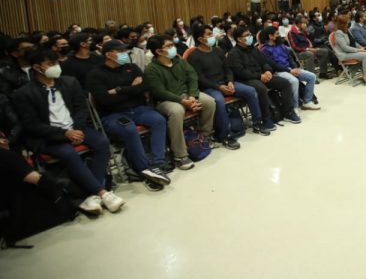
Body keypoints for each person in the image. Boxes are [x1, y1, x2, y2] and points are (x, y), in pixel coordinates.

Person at [12, 49, 124, 215]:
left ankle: (92, 194)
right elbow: (32, 124)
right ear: (37, 67)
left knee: (102, 142)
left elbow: (81, 109)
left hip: (76, 128)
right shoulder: (24, 93)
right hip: (49, 135)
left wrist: (76, 128)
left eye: (57, 63)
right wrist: (64, 133)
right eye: (51, 64)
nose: (56, 66)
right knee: (68, 153)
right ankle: (102, 193)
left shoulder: (69, 82)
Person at [86, 41, 171, 191]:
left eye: (125, 50)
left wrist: (119, 90)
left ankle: (158, 163)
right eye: (120, 51)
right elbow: (105, 100)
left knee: (158, 120)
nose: (125, 54)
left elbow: (145, 86)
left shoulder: (131, 67)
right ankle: (144, 169)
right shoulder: (95, 75)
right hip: (113, 114)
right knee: (129, 129)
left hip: (138, 109)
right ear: (109, 55)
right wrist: (132, 88)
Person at [144, 34, 216, 170]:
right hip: (166, 100)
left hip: (187, 95)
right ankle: (180, 154)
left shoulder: (179, 60)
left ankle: (204, 136)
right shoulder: (151, 69)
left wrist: (193, 95)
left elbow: (192, 76)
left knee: (209, 102)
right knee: (177, 111)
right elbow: (160, 92)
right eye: (169, 46)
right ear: (159, 51)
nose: (173, 48)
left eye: (172, 44)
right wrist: (183, 101)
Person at [187, 25, 267, 141]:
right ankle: (225, 135)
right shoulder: (194, 56)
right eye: (209, 34)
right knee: (219, 101)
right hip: (210, 87)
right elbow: (200, 78)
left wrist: (230, 81)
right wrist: (219, 87)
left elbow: (228, 69)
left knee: (250, 91)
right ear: (200, 39)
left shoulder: (218, 51)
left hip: (226, 83)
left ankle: (257, 122)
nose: (213, 36)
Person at [226, 27, 299, 124]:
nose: (250, 37)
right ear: (239, 39)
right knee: (261, 88)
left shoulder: (253, 49)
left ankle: (288, 112)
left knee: (285, 83)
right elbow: (241, 72)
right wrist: (259, 76)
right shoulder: (233, 53)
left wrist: (268, 71)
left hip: (262, 75)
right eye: (247, 35)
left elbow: (264, 62)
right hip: (247, 79)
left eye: (250, 34)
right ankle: (266, 118)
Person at [261, 26, 320, 114]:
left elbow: (290, 58)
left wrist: (294, 67)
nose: (279, 35)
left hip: (290, 69)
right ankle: (294, 106)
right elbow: (274, 65)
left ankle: (307, 101)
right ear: (270, 36)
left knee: (312, 76)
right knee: (294, 81)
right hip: (278, 72)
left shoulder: (281, 45)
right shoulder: (264, 50)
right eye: (277, 34)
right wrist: (290, 71)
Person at [331, 15, 366, 87]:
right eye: (347, 22)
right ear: (343, 24)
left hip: (350, 52)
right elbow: (345, 48)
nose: (349, 23)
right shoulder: (338, 33)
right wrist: (358, 50)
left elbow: (353, 42)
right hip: (344, 54)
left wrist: (361, 47)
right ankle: (365, 75)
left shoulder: (346, 31)